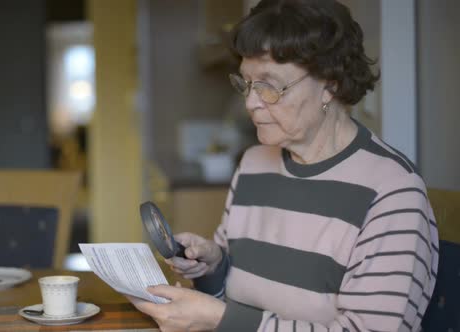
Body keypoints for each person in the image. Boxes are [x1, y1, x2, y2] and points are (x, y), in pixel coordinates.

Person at [126, 0, 439, 331]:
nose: (250, 102)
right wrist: (213, 266)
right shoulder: (253, 164)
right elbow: (232, 299)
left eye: (269, 86)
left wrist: (220, 318)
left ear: (329, 84)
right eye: (246, 83)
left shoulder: (393, 192)